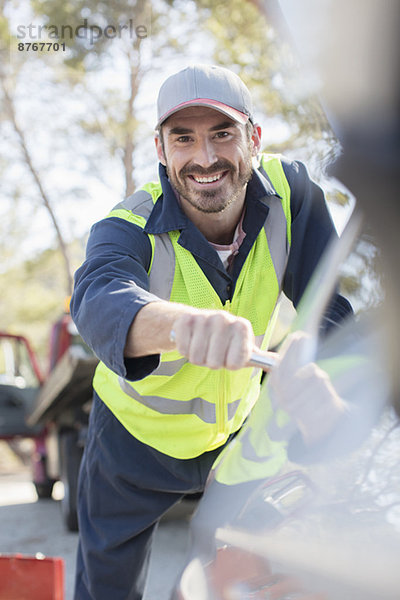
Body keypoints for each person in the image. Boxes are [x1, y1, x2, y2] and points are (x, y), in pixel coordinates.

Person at [70, 64, 352, 600]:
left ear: (254, 138)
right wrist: (181, 324)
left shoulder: (293, 197)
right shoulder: (126, 224)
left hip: (237, 444)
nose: (205, 158)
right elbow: (98, 297)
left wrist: (316, 375)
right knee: (106, 588)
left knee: (252, 579)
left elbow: (331, 307)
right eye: (184, 138)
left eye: (222, 133)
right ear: (160, 149)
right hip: (131, 448)